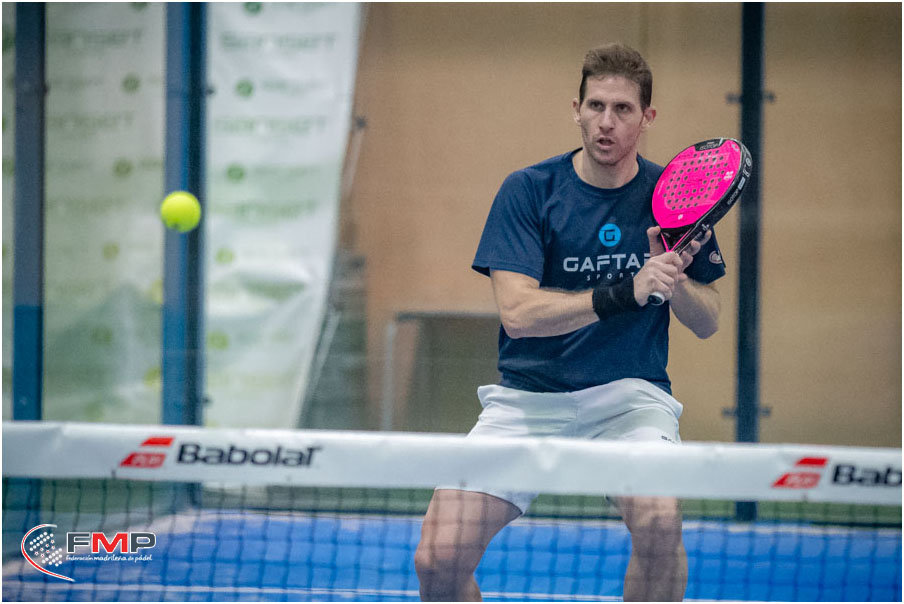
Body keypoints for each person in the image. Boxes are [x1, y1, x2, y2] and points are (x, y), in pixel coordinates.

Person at [413, 43, 725, 602]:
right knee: (438, 558)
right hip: (527, 401)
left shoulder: (676, 200)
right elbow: (519, 314)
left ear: (647, 118)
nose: (607, 122)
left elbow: (709, 321)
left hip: (630, 401)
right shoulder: (529, 190)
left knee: (660, 524)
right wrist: (626, 291)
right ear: (576, 109)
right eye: (596, 106)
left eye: (623, 109)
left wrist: (675, 279)